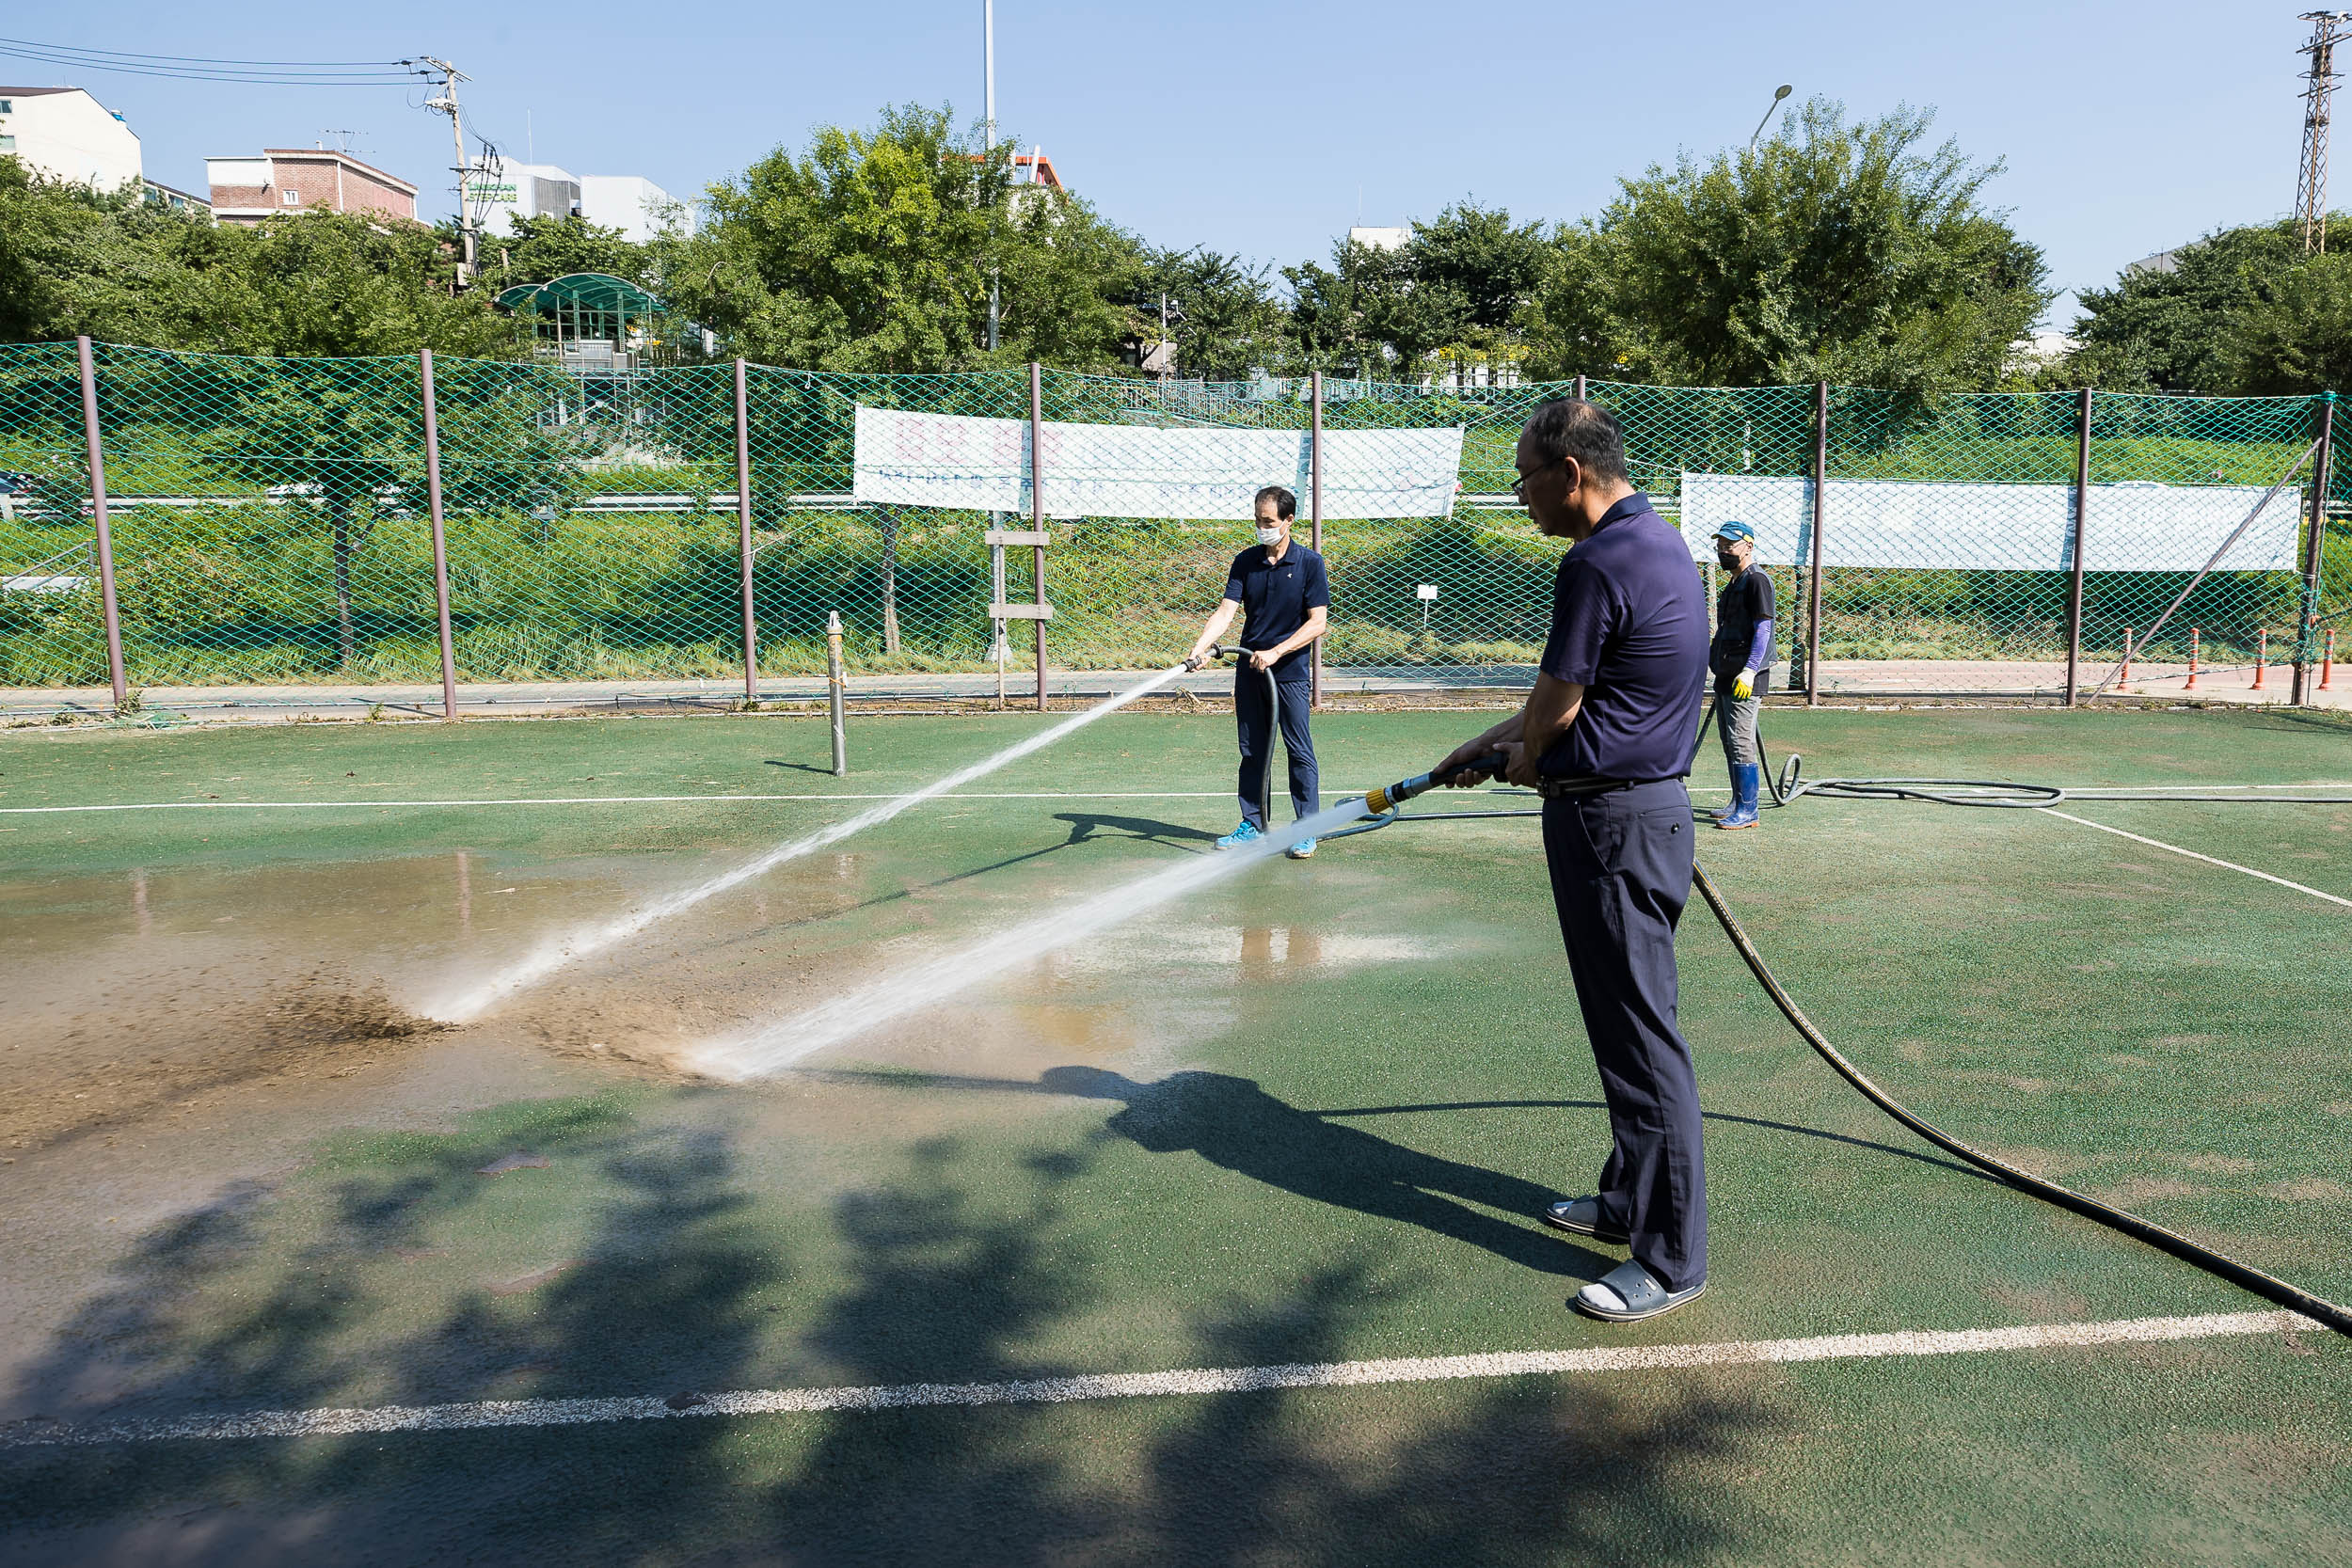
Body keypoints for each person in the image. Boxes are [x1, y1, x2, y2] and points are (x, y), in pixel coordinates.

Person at [1434, 398, 1711, 1323]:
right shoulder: (1660, 544)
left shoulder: (1593, 562)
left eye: (1522, 475)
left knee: (1640, 1043)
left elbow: (1556, 707)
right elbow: (1582, 697)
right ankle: (1629, 1201)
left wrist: (1520, 756)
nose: (1518, 493)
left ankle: (1670, 1260)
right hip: (1642, 818)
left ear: (1570, 473)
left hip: (1610, 825)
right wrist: (1484, 743)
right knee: (1629, 1030)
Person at [1184, 484, 1328, 859]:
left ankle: (1305, 827)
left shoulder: (1310, 563)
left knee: (1299, 750)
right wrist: (1200, 650)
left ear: (1288, 521)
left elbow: (1317, 624)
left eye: (1268, 521)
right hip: (1250, 672)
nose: (1261, 527)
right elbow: (1226, 612)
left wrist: (1277, 651)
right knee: (1253, 751)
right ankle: (1254, 823)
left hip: (1289, 672)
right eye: (1257, 520)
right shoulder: (1245, 561)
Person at [1708, 520, 1774, 830]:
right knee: (1728, 739)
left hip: (1745, 676)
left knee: (1740, 739)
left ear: (1748, 546)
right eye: (1720, 546)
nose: (1724, 551)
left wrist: (1750, 670)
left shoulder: (1757, 580)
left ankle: (1749, 810)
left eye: (1729, 545)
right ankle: (1737, 801)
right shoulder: (1735, 581)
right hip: (1727, 672)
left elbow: (1764, 628)